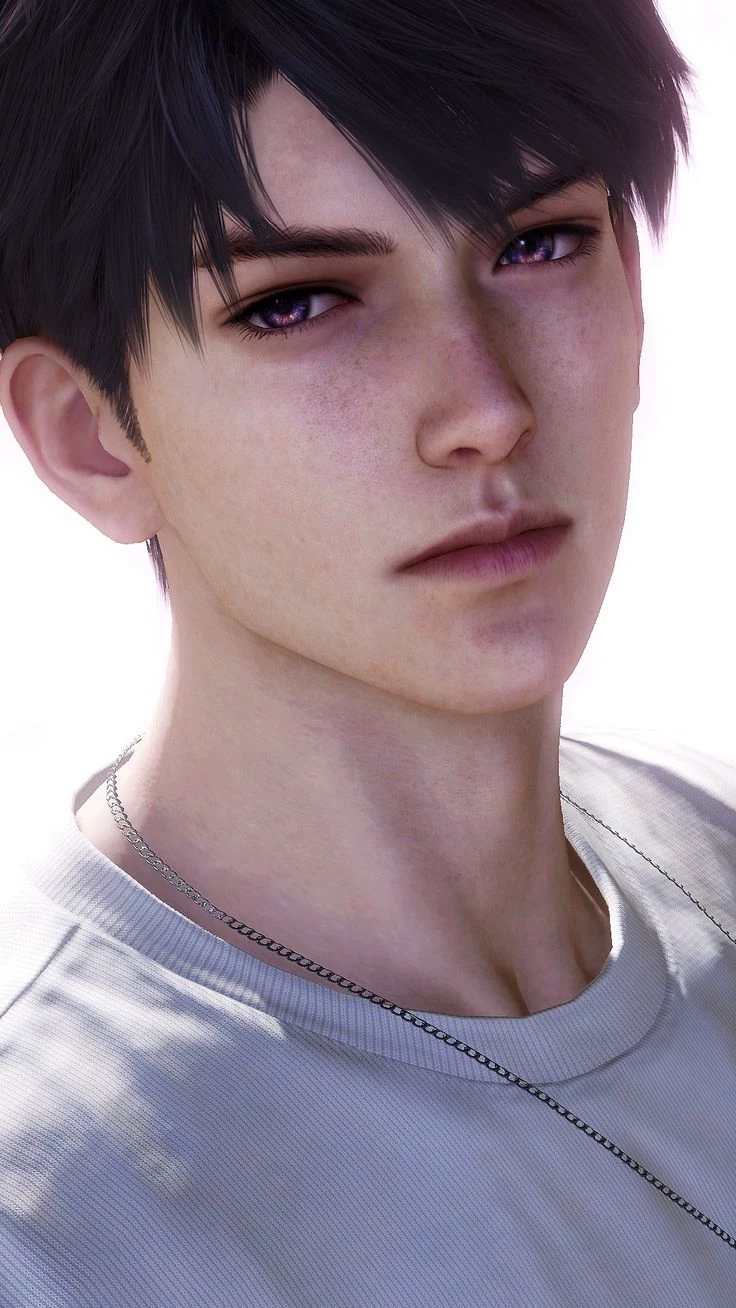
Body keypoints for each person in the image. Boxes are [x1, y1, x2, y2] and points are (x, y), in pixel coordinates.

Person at [1, 0, 735, 1303]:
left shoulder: (712, 845)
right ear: (89, 435)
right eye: (299, 304)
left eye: (539, 242)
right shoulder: (54, 1224)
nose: (486, 409)